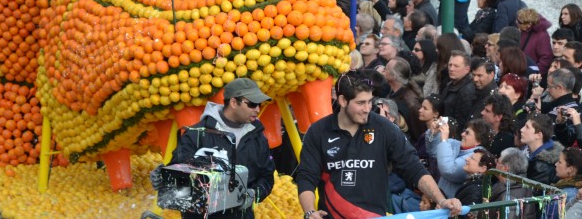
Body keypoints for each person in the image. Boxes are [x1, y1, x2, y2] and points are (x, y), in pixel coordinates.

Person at [294, 72, 462, 218]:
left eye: (370, 101)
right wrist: (309, 212)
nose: (367, 108)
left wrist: (441, 199)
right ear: (343, 100)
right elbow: (307, 176)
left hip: (374, 216)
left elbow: (413, 167)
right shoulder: (318, 131)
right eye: (360, 103)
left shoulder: (383, 127)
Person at [167, 78, 276, 219]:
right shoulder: (196, 134)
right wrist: (164, 175)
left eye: (259, 104)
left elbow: (267, 176)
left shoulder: (258, 137)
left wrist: (254, 194)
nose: (257, 109)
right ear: (233, 103)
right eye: (252, 104)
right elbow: (177, 173)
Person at [522, 112, 564, 185]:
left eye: (527, 127)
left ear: (538, 135)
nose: (522, 130)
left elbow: (532, 193)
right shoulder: (530, 155)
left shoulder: (542, 167)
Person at [517, 7, 554, 75]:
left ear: (528, 24)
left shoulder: (542, 35)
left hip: (532, 76)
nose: (517, 23)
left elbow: (546, 58)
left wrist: (535, 74)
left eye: (519, 22)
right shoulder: (523, 31)